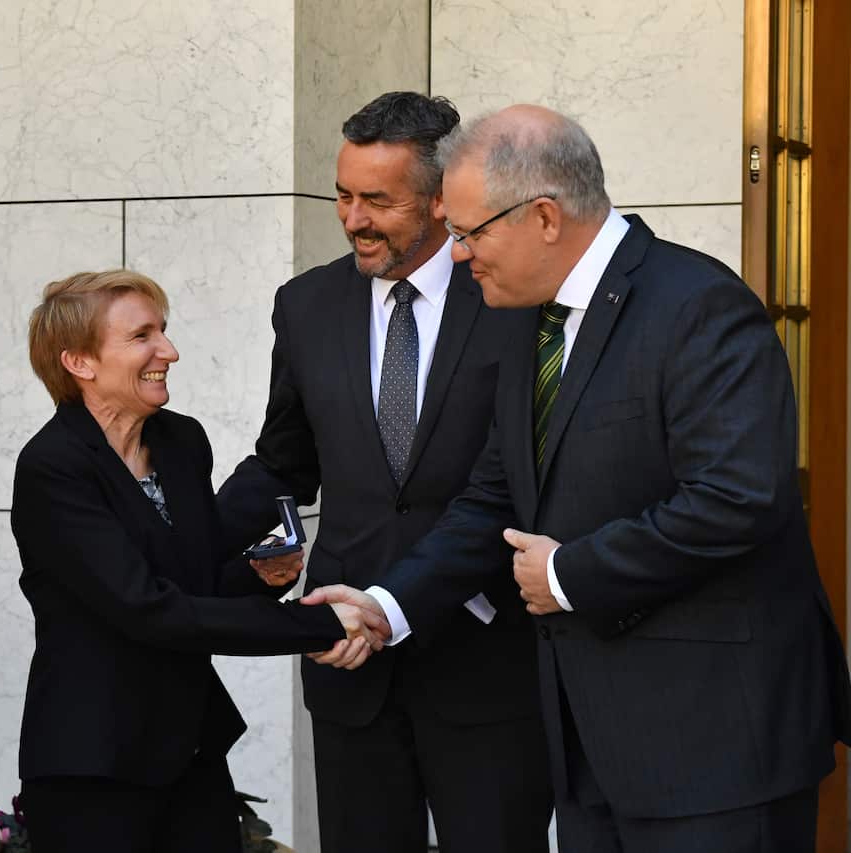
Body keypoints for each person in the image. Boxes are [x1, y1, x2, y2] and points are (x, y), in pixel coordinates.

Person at [305, 104, 851, 851]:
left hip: (716, 748)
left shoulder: (700, 305)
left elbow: (736, 499)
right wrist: (385, 605)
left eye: (469, 234)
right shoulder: (527, 320)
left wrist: (568, 573)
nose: (458, 257)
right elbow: (495, 496)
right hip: (589, 754)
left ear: (545, 218)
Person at [216, 91, 551, 853]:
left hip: (487, 659)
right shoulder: (305, 305)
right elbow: (284, 460)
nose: (353, 218)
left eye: (378, 200)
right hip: (348, 659)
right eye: (343, 194)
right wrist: (184, 542)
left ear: (441, 202)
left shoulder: (512, 297)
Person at [10, 269, 386, 853]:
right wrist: (317, 623)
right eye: (142, 337)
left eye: (163, 330)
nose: (170, 351)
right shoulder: (53, 469)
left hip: (190, 753)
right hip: (95, 765)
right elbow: (148, 609)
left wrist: (258, 579)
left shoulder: (181, 441)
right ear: (80, 363)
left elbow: (195, 582)